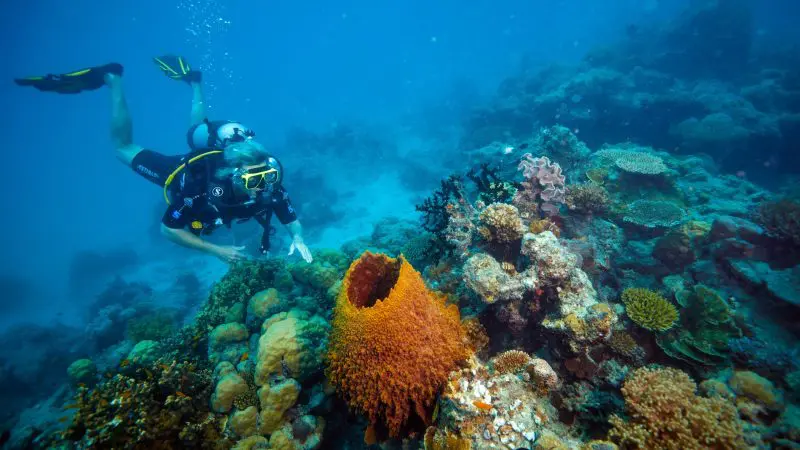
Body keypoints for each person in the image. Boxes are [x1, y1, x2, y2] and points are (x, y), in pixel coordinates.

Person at [15, 55, 313, 264]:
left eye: (266, 177)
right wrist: (216, 251)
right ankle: (112, 78)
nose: (263, 186)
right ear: (234, 176)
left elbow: (290, 215)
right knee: (123, 147)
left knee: (192, 132)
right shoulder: (202, 186)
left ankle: (195, 83)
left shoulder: (268, 184)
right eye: (254, 180)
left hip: (211, 154)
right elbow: (168, 229)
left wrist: (297, 238)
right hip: (180, 167)